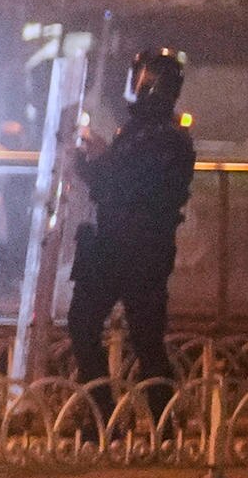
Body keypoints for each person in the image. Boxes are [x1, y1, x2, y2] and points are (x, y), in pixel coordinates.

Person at [62, 43, 195, 393]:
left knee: (110, 331)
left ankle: (122, 415)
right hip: (135, 249)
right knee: (138, 338)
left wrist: (94, 161)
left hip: (126, 249)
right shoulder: (149, 133)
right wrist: (99, 160)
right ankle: (139, 419)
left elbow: (125, 186)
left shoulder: (164, 138)